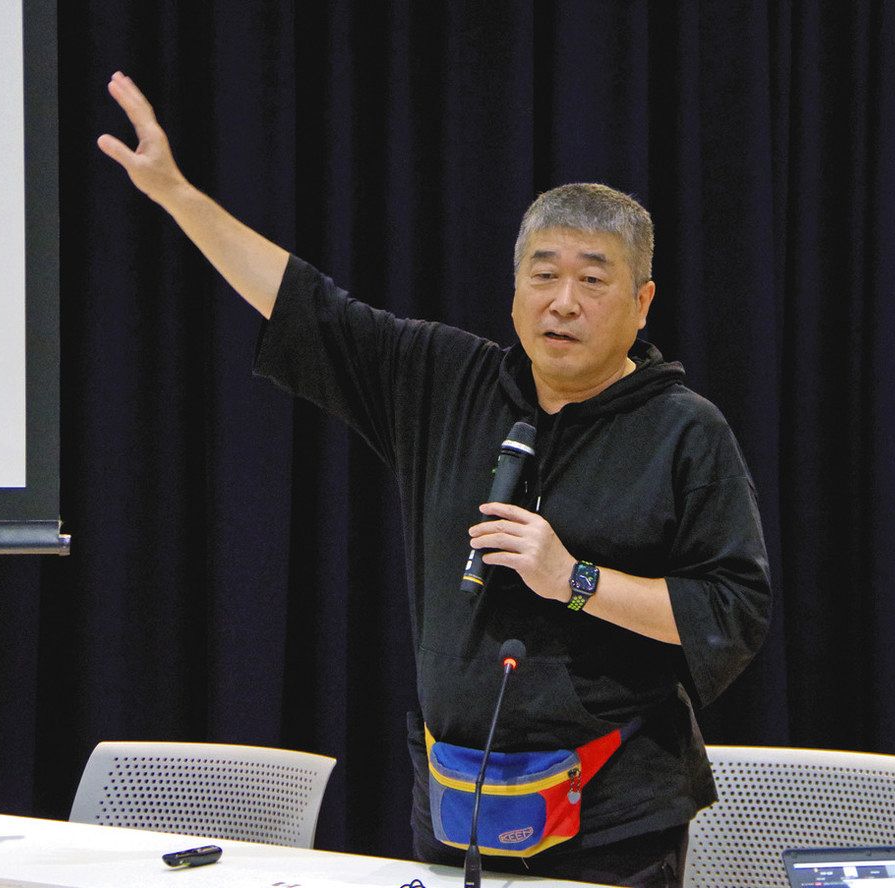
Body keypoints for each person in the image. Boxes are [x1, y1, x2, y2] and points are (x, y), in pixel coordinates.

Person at [99, 70, 772, 888]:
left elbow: (732, 613)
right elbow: (306, 306)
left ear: (642, 302)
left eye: (593, 280)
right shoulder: (446, 381)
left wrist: (575, 580)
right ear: (514, 289)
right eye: (543, 275)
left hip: (616, 820)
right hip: (458, 802)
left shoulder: (684, 430)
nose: (563, 301)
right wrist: (175, 195)